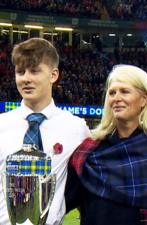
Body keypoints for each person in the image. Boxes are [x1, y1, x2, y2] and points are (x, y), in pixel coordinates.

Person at [66, 65, 147, 225]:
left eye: (125, 91)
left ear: (144, 99)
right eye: (112, 92)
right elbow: (62, 201)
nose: (116, 98)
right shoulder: (88, 151)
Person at [0, 38, 90, 225]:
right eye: (20, 72)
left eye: (34, 71)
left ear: (53, 75)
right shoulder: (2, 124)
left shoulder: (76, 128)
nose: (26, 78)